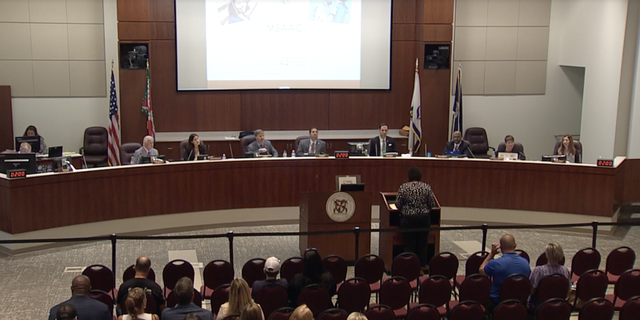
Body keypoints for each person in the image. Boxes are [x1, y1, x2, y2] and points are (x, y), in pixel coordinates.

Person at [395, 167, 437, 271]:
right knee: (423, 244)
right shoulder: (426, 187)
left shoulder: (403, 187)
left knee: (409, 244)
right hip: (424, 218)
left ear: (409, 176)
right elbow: (432, 204)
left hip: (408, 219)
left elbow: (398, 204)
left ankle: (411, 267)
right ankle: (422, 266)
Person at [479, 234, 531, 309]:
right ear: (515, 245)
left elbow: (481, 271)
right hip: (520, 304)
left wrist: (491, 254)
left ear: (500, 247)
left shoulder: (495, 264)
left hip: (497, 303)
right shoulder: (525, 263)